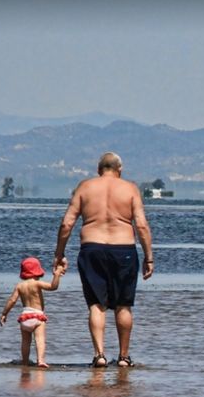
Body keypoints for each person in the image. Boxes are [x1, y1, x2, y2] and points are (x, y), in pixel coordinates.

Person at [52, 152, 154, 368]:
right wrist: (149, 257)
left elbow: (66, 224)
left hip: (92, 249)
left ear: (99, 170)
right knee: (123, 306)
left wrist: (59, 254)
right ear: (120, 170)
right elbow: (142, 225)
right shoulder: (130, 189)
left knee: (96, 305)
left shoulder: (85, 187)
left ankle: (99, 355)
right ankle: (124, 358)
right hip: (124, 249)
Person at [0, 257, 66, 368]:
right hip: (37, 316)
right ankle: (40, 360)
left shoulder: (19, 286)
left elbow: (12, 300)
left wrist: (4, 314)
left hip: (25, 316)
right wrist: (57, 275)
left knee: (25, 342)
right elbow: (53, 287)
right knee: (40, 339)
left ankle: (25, 361)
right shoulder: (37, 283)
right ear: (38, 270)